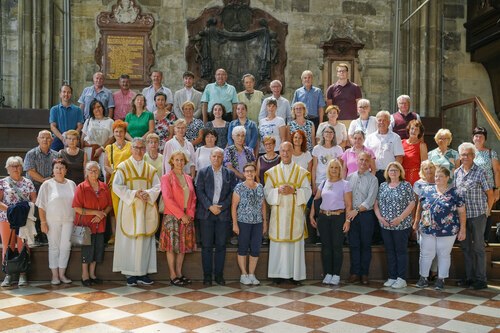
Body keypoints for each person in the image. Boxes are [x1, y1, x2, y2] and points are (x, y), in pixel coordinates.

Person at [112, 138, 161, 286]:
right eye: (136, 148)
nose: (139, 151)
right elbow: (117, 186)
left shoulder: (150, 169)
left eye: (141, 148)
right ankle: (130, 274)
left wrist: (148, 193)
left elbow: (157, 186)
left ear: (145, 149)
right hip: (129, 208)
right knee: (130, 241)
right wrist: (134, 194)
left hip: (146, 209)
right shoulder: (123, 167)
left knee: (144, 240)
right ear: (131, 149)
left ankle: (143, 272)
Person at [264, 142, 311, 284]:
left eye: (288, 150)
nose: (285, 153)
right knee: (279, 245)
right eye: (282, 151)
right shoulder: (272, 172)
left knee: (295, 245)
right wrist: (277, 191)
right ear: (280, 152)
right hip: (279, 215)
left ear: (292, 151)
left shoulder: (301, 172)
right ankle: (277, 275)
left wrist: (294, 190)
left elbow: (308, 191)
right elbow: (267, 192)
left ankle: (295, 276)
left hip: (294, 215)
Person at [414, 166, 466, 290]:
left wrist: (463, 228)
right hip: (427, 228)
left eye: (441, 176)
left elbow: (462, 212)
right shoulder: (426, 190)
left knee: (443, 254)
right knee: (426, 253)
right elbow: (419, 207)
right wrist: (416, 222)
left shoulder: (455, 192)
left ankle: (441, 279)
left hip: (448, 229)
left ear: (448, 178)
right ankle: (423, 278)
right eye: (436, 176)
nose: (437, 178)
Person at [454, 142, 494, 290]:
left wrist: (488, 210)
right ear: (460, 156)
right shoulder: (456, 173)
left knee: (478, 248)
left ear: (473, 156)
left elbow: (490, 194)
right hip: (462, 218)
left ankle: (481, 279)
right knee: (465, 248)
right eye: (463, 154)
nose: (465, 157)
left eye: (468, 154)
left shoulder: (480, 172)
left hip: (477, 215)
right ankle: (469, 278)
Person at [196, 148, 237, 286]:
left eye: (219, 156)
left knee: (221, 246)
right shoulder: (203, 172)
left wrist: (222, 207)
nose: (216, 159)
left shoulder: (229, 174)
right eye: (214, 156)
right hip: (206, 214)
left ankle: (219, 275)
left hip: (222, 214)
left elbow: (233, 193)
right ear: (210, 157)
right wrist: (210, 206)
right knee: (206, 246)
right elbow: (199, 191)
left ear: (222, 158)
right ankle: (207, 276)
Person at [310, 159, 352, 285]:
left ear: (340, 170)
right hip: (323, 218)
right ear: (328, 169)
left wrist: (348, 221)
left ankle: (336, 274)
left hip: (338, 217)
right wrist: (312, 215)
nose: (334, 170)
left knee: (337, 247)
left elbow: (349, 205)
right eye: (332, 167)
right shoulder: (323, 183)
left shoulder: (345, 184)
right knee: (326, 247)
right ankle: (328, 273)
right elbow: (316, 199)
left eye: (336, 167)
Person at [374, 162, 415, 289]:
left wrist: (400, 218)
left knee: (400, 251)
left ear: (400, 172)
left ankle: (401, 278)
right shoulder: (383, 186)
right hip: (385, 225)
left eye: (396, 170)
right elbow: (376, 204)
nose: (393, 172)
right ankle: (392, 277)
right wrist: (380, 218)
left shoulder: (406, 185)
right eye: (391, 170)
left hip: (401, 225)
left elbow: (412, 203)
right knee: (390, 251)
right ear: (387, 172)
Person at [36, 158, 76, 285]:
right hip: (52, 221)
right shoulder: (47, 184)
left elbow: (76, 204)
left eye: (62, 167)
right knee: (54, 247)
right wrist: (43, 222)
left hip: (69, 220)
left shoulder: (72, 184)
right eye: (57, 167)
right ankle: (54, 276)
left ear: (66, 170)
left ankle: (62, 274)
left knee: (66, 247)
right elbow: (41, 206)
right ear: (53, 170)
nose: (59, 170)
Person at [72, 161, 112, 286]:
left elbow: (109, 205)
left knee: (98, 250)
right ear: (86, 173)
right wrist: (95, 213)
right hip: (86, 225)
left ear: (99, 172)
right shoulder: (81, 187)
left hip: (100, 224)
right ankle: (85, 275)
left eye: (96, 171)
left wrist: (102, 214)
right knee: (87, 251)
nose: (93, 173)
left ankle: (93, 274)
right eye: (91, 171)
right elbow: (76, 208)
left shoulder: (104, 186)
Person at [160, 151, 196, 286]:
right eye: (177, 160)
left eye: (182, 160)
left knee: (183, 246)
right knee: (171, 247)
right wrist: (181, 215)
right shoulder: (166, 177)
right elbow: (167, 199)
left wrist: (190, 214)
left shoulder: (188, 178)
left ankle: (179, 273)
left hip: (188, 216)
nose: (179, 162)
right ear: (172, 162)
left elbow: (193, 198)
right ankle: (172, 274)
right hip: (172, 216)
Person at [0, 156, 37, 287]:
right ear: (7, 168)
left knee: (23, 245)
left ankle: (23, 274)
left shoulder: (28, 182)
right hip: (7, 218)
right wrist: (12, 210)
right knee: (8, 245)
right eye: (13, 166)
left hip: (24, 219)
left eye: (18, 166)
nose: (16, 168)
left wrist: (24, 209)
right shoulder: (2, 182)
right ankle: (8, 275)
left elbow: (34, 199)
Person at [346, 152, 378, 284]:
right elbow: (347, 197)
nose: (363, 162)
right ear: (356, 161)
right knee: (354, 245)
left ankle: (364, 274)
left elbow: (370, 200)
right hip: (351, 215)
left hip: (366, 216)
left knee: (365, 245)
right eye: (361, 160)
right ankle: (355, 273)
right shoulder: (349, 178)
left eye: (366, 160)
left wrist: (357, 210)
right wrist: (350, 214)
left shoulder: (373, 179)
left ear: (369, 163)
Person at [232, 163, 266, 285]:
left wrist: (264, 222)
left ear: (255, 172)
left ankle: (252, 274)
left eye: (252, 171)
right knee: (243, 247)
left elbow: (263, 205)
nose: (249, 173)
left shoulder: (260, 187)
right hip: (243, 222)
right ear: (244, 173)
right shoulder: (239, 187)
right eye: (247, 171)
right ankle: (243, 274)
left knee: (255, 248)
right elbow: (234, 206)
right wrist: (235, 224)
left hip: (257, 222)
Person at [23, 130, 59, 245]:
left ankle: (47, 234)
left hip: (51, 186)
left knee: (50, 210)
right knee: (37, 209)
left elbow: (58, 169)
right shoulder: (31, 154)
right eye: (42, 137)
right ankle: (38, 234)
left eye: (48, 138)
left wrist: (49, 181)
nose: (45, 140)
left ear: (52, 140)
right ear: (38, 139)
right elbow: (30, 171)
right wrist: (44, 181)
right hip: (35, 186)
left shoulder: (56, 155)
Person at [104, 120, 132, 244]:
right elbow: (106, 166)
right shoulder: (109, 148)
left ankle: (128, 233)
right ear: (113, 133)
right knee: (114, 210)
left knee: (128, 207)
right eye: (116, 131)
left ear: (125, 133)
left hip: (128, 181)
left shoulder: (131, 146)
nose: (119, 134)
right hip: (115, 181)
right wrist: (116, 172)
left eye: (121, 131)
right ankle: (115, 235)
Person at [472, 127, 499, 243]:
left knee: (486, 213)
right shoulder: (469, 152)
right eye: (476, 136)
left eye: (481, 136)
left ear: (485, 139)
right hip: (472, 189)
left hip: (487, 189)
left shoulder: (490, 153)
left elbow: (497, 171)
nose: (478, 138)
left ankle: (484, 238)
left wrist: (497, 189)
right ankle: (473, 238)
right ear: (473, 138)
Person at [413, 160, 438, 280]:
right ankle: (424, 274)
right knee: (425, 248)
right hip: (424, 219)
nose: (429, 170)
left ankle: (434, 272)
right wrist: (415, 221)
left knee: (437, 248)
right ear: (422, 171)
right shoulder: (418, 184)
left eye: (431, 167)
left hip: (439, 220)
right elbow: (416, 203)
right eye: (426, 168)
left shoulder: (440, 181)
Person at [365, 110, 405, 184]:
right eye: (379, 120)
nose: (381, 122)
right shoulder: (370, 138)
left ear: (389, 122)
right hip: (372, 173)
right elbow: (365, 156)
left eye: (384, 120)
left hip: (389, 175)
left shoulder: (395, 138)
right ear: (376, 122)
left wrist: (393, 173)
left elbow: (399, 158)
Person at [81, 100, 114, 180]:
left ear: (102, 108)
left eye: (99, 106)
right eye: (94, 108)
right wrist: (82, 151)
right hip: (89, 150)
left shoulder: (110, 121)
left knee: (106, 173)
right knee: (89, 173)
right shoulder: (88, 121)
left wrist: (101, 148)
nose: (97, 109)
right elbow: (82, 137)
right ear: (92, 111)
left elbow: (112, 138)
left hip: (104, 151)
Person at [49, 84, 84, 151]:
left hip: (73, 140)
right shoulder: (54, 109)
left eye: (68, 92)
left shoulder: (78, 110)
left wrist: (71, 138)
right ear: (60, 94)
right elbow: (53, 126)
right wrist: (63, 138)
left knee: (76, 158)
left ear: (71, 94)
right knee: (53, 158)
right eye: (64, 92)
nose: (66, 94)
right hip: (58, 138)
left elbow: (80, 126)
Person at [311, 124, 344, 193]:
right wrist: (313, 184)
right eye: (326, 132)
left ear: (334, 135)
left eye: (331, 132)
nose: (328, 134)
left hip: (334, 180)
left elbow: (340, 167)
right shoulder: (317, 148)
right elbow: (314, 167)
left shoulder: (338, 149)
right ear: (323, 134)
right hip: (320, 181)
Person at [401, 120, 428, 185]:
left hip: (415, 177)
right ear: (409, 129)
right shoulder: (401, 142)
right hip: (401, 176)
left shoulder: (422, 145)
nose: (413, 131)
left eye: (416, 129)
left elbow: (424, 164)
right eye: (412, 128)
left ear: (419, 132)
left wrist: (424, 179)